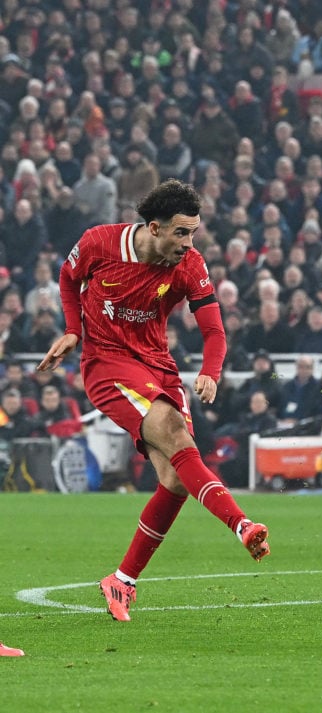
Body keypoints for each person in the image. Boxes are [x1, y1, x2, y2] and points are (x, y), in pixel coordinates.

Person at [37, 180, 269, 623]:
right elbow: (68, 278)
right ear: (154, 227)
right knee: (175, 432)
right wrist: (72, 329)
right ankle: (241, 524)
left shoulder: (190, 265)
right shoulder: (99, 242)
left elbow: (215, 331)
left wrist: (210, 372)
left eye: (194, 233)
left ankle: (122, 580)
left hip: (157, 366)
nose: (189, 243)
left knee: (175, 478)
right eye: (181, 233)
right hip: (107, 365)